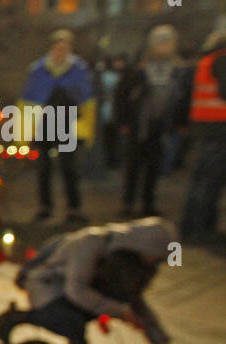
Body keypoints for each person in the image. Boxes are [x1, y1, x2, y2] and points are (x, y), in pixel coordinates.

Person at [0, 217, 174, 344]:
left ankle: (72, 330)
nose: (155, 262)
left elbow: (133, 297)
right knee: (72, 326)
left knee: (79, 329)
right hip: (50, 289)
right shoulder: (91, 243)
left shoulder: (132, 260)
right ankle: (21, 318)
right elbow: (76, 290)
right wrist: (119, 311)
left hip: (78, 295)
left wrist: (160, 340)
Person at [20, 29, 94, 224]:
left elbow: (86, 99)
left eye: (65, 47)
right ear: (52, 48)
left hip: (68, 124)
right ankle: (45, 207)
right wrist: (25, 130)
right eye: (58, 47)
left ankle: (73, 208)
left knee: (69, 167)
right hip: (44, 124)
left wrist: (86, 128)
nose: (61, 51)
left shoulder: (79, 70)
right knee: (44, 169)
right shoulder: (38, 70)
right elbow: (28, 100)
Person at [119, 25, 189, 218]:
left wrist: (180, 123)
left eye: (168, 43)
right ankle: (128, 203)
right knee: (133, 165)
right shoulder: (137, 67)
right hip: (138, 124)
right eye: (161, 42)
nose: (164, 47)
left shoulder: (178, 69)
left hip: (161, 125)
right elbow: (122, 95)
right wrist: (124, 121)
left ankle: (148, 203)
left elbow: (183, 98)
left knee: (154, 166)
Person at [180, 29, 226, 242]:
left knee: (201, 179)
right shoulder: (222, 61)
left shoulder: (207, 60)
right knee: (209, 181)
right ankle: (201, 229)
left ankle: (191, 226)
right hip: (219, 129)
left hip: (206, 127)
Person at [96, 54, 128, 169]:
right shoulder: (118, 77)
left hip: (104, 110)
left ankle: (106, 160)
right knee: (114, 139)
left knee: (105, 138)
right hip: (115, 111)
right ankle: (114, 161)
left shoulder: (102, 77)